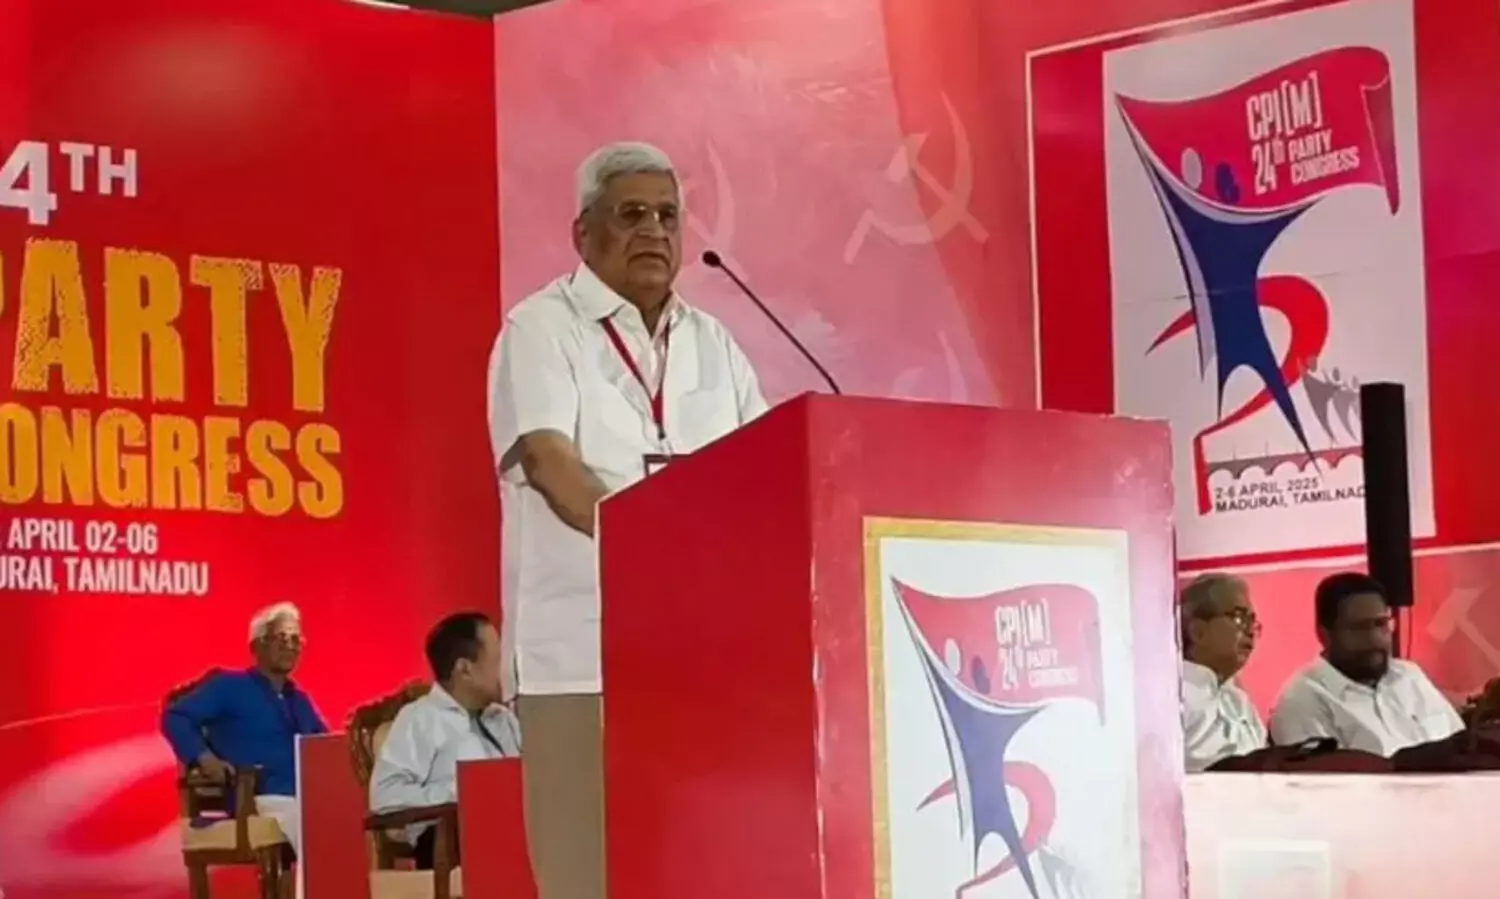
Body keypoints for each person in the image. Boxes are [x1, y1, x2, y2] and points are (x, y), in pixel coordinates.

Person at [486, 140, 768, 899]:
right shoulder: (540, 329)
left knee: (702, 873)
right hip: (582, 657)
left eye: (668, 216)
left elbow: (765, 477)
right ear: (583, 234)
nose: (653, 230)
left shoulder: (715, 345)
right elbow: (550, 463)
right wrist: (655, 545)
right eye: (631, 213)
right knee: (586, 877)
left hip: (699, 658)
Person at [161, 602, 326, 855]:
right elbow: (175, 717)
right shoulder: (229, 686)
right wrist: (204, 758)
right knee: (314, 825)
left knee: (344, 817)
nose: (290, 646)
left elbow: (325, 746)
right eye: (281, 638)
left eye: (296, 640)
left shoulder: (300, 700)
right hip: (258, 797)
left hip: (306, 797)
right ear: (256, 646)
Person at [370, 612, 521, 869]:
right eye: (497, 660)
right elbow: (385, 798)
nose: (505, 671)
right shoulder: (420, 718)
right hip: (452, 844)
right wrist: (461, 793)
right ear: (465, 669)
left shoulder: (502, 719)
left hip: (513, 832)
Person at [1269, 572, 1462, 755]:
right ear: (1324, 634)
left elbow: (1461, 747)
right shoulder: (1303, 701)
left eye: (1381, 624)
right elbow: (1322, 778)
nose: (1374, 638)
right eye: (1358, 628)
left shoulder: (1409, 675)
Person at [1179, 573, 1267, 771]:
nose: (1250, 631)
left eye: (1252, 621)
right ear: (1198, 632)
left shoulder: (1239, 699)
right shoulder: (1175, 696)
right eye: (1238, 617)